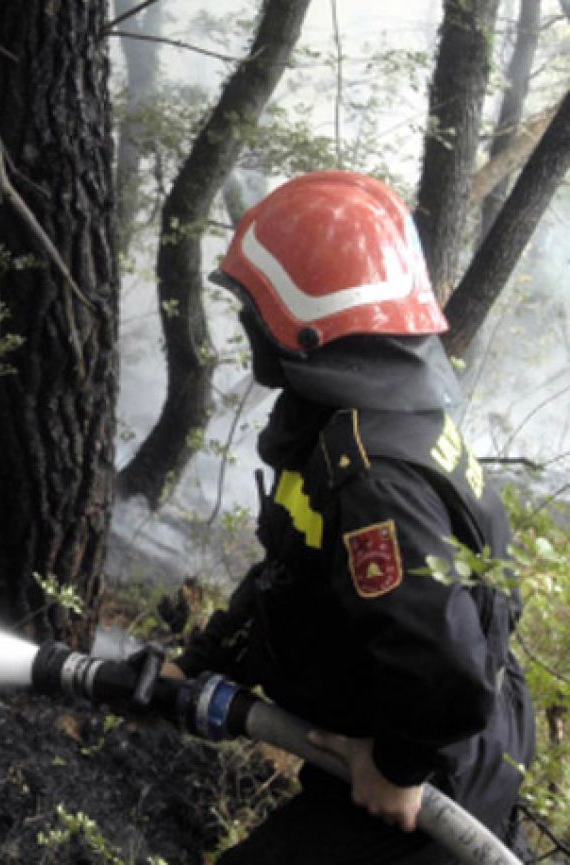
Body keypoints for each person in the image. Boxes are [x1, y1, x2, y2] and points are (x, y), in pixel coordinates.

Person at [163, 171, 534, 863]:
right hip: (425, 738)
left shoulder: (372, 476)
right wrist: (205, 660)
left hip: (430, 766)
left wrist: (396, 766)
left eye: (253, 309)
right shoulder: (359, 418)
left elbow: (442, 667)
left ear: (305, 325)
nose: (246, 324)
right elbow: (292, 565)